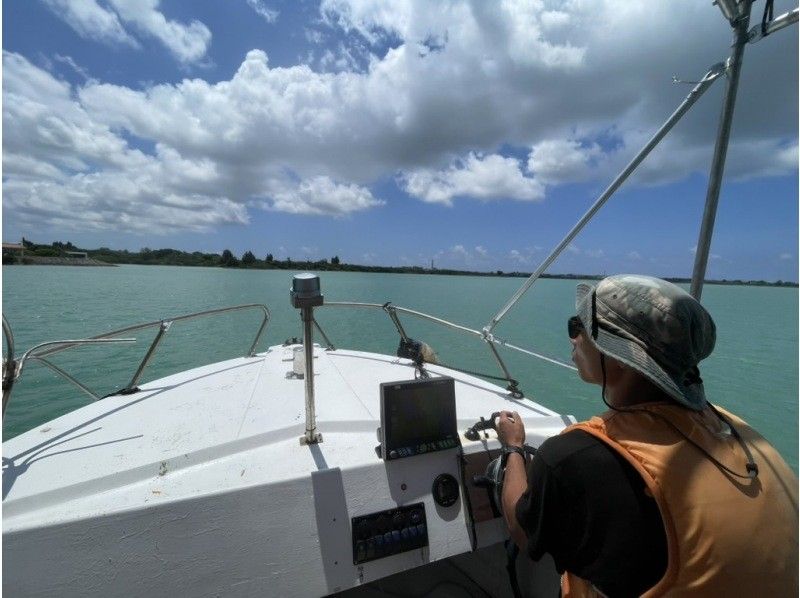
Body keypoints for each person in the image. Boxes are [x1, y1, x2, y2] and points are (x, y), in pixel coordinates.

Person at [496, 274, 798, 597]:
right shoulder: (741, 433)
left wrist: (513, 447)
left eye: (578, 326)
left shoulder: (571, 458)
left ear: (616, 357)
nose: (572, 338)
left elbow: (523, 529)